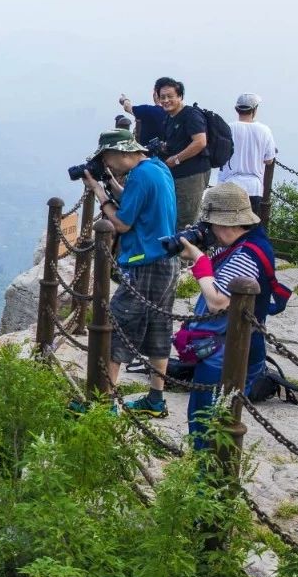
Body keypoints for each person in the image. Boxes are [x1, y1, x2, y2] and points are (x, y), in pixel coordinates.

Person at [83, 129, 178, 416]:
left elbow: (122, 224)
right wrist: (111, 183)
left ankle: (104, 403)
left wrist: (100, 192)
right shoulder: (156, 167)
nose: (107, 164)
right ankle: (155, 399)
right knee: (159, 329)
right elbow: (137, 203)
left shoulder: (140, 175)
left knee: (116, 326)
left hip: (145, 262)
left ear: (123, 153)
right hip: (167, 259)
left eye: (108, 158)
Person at [175, 183, 277, 449]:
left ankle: (208, 478)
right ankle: (203, 472)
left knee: (211, 423)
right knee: (204, 418)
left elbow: (218, 301)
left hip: (229, 353)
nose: (209, 232)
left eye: (210, 226)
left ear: (226, 224)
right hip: (222, 347)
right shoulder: (247, 243)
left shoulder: (247, 254)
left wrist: (199, 261)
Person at [154, 77, 210, 229]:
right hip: (177, 176)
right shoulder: (169, 118)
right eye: (162, 97)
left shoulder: (191, 115)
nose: (166, 100)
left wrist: (176, 159)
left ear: (180, 96)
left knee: (186, 221)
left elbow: (200, 142)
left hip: (192, 174)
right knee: (175, 217)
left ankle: (186, 251)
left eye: (170, 96)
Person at [216, 93, 277, 214]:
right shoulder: (264, 130)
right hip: (253, 187)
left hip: (229, 184)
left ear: (236, 109)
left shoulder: (228, 128)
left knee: (228, 226)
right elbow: (269, 159)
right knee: (250, 227)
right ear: (254, 110)